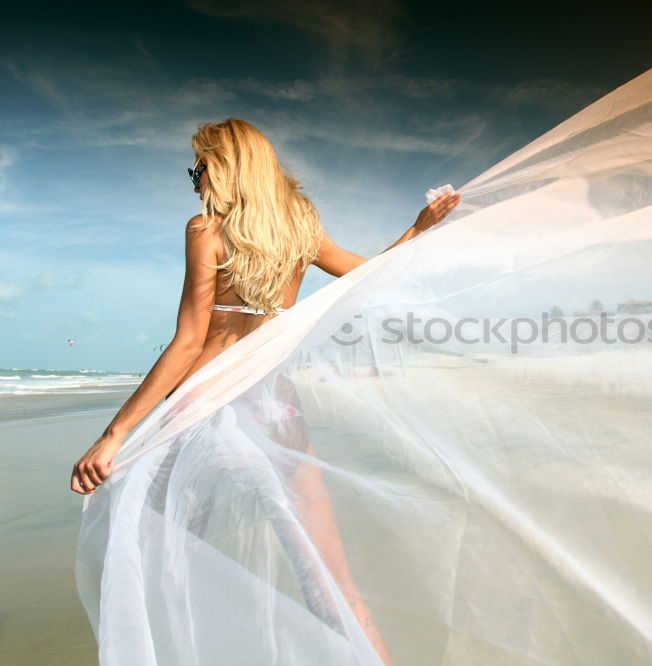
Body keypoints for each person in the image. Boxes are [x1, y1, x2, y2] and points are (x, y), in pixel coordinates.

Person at [69, 118, 458, 663]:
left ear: (225, 167)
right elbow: (366, 278)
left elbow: (188, 344)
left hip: (201, 410)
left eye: (198, 167)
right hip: (277, 408)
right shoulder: (301, 227)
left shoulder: (205, 231)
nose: (194, 180)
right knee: (327, 574)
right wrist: (417, 231)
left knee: (157, 551)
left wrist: (113, 436)